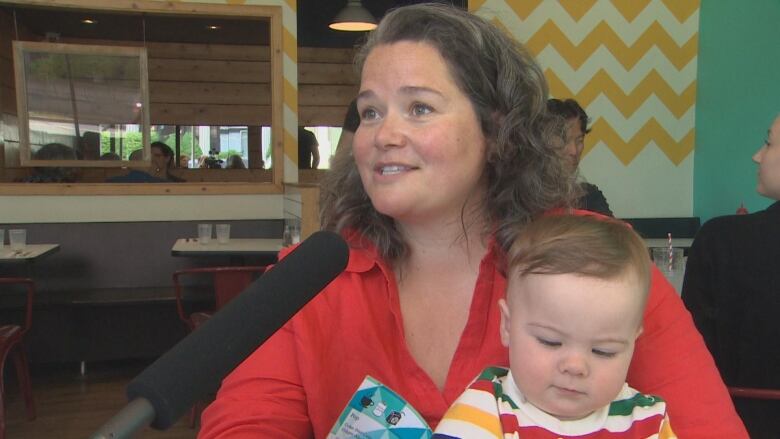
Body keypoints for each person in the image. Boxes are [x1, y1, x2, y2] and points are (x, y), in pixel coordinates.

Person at [199, 4, 745, 438]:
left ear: (496, 127)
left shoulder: (598, 261)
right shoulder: (308, 282)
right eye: (370, 111)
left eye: (419, 108)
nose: (382, 135)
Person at [433, 214, 675, 438]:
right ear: (507, 326)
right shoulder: (484, 410)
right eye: (550, 341)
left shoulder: (647, 421)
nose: (575, 366)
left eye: (603, 351)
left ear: (633, 342)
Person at [681, 114, 780, 438]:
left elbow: (691, 357)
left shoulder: (721, 240)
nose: (757, 155)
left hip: (734, 423)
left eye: (768, 142)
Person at [547, 98, 613, 216]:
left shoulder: (589, 197)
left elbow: (614, 234)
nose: (574, 150)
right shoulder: (521, 199)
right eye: (565, 140)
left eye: (579, 140)